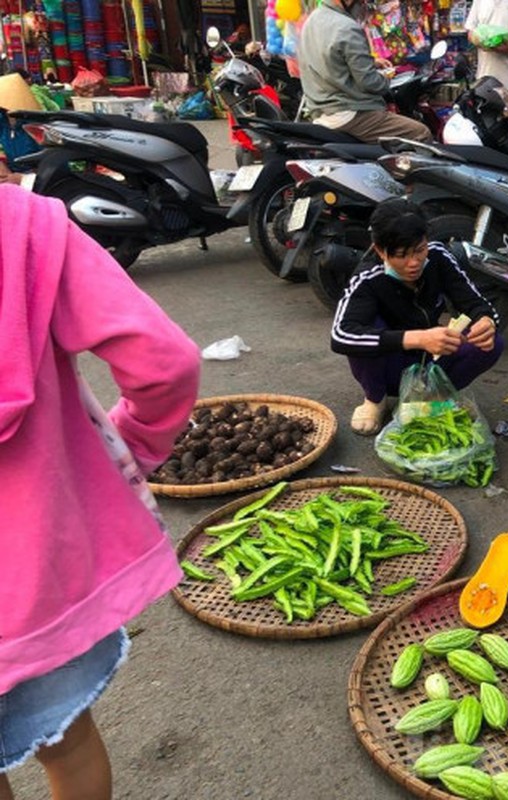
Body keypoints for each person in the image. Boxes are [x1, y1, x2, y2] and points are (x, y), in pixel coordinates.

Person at [0, 184, 201, 799]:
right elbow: (165, 361)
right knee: (69, 742)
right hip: (32, 582)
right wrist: (134, 444)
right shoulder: (21, 225)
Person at [331, 198, 504, 435]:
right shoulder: (368, 279)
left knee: (491, 343)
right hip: (389, 369)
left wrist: (485, 320)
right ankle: (375, 399)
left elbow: (475, 302)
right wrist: (418, 339)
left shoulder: (438, 257)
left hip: (432, 362)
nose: (414, 263)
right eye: (402, 255)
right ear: (380, 250)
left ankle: (433, 398)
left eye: (420, 250)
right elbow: (341, 335)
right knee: (366, 328)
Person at [298, 0, 432, 143]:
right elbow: (370, 82)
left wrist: (371, 62)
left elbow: (330, 58)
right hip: (349, 113)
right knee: (421, 133)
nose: (362, 5)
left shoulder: (311, 21)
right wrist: (386, 78)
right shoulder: (347, 27)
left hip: (320, 112)